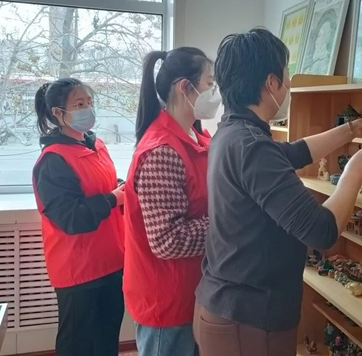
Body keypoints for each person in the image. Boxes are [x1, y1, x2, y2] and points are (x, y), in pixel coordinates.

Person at [194, 28, 362, 356]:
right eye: (286, 76)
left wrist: (350, 129)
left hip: (225, 307)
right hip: (248, 320)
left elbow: (294, 152)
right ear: (271, 83)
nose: (289, 84)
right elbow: (323, 230)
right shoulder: (252, 146)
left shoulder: (233, 133)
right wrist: (354, 173)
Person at [124, 48, 221, 356]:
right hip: (167, 300)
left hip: (192, 290)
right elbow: (167, 240)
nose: (214, 92)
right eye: (210, 83)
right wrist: (229, 224)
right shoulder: (162, 152)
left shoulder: (197, 138)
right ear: (184, 87)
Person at [32, 78, 125, 356]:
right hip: (78, 270)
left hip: (111, 260)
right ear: (58, 113)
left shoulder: (96, 146)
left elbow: (99, 186)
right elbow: (70, 218)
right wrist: (113, 198)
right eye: (79, 104)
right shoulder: (53, 160)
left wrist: (119, 187)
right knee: (77, 343)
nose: (87, 109)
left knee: (107, 338)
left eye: (90, 102)